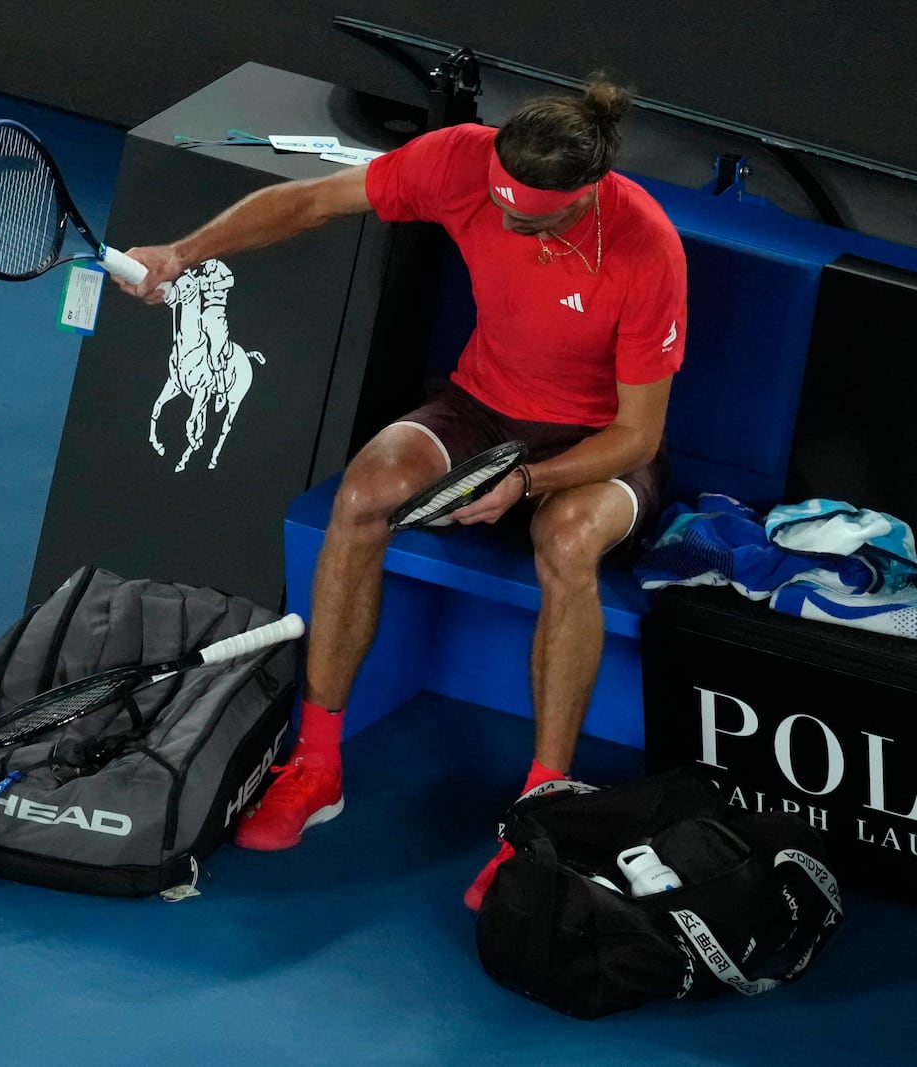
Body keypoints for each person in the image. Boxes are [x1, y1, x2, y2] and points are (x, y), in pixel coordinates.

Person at [118, 77, 687, 909]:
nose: (512, 226)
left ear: (587, 193)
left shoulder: (645, 246)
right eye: (503, 209)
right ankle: (315, 763)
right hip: (478, 406)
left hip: (596, 445)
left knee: (565, 542)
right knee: (361, 497)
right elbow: (311, 202)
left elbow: (639, 435)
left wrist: (522, 481)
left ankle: (543, 800)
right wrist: (185, 252)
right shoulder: (460, 163)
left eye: (534, 219)